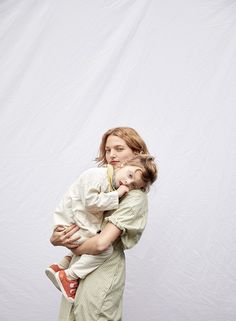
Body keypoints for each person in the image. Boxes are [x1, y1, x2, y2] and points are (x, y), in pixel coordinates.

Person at [50, 127, 158, 321]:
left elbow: (101, 244)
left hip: (102, 267)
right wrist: (58, 235)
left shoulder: (134, 196)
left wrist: (66, 243)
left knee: (91, 315)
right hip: (81, 263)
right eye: (108, 150)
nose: (112, 155)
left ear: (137, 153)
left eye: (119, 148)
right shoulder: (103, 182)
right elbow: (80, 214)